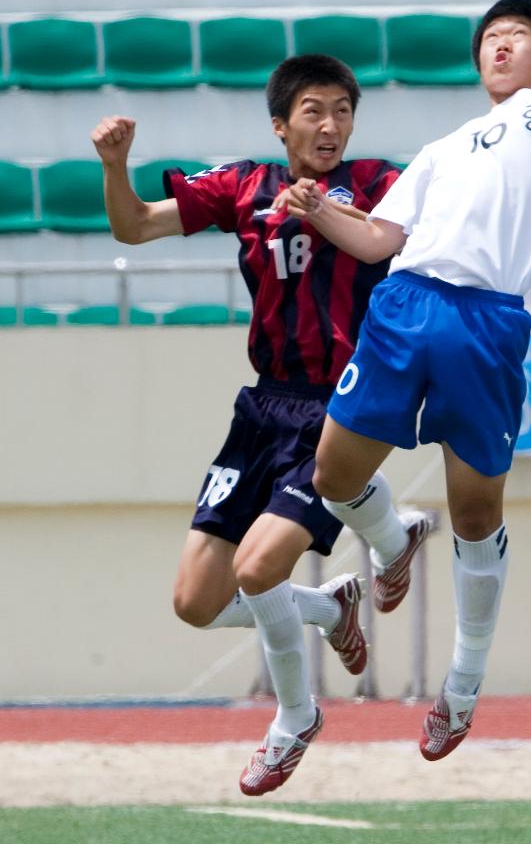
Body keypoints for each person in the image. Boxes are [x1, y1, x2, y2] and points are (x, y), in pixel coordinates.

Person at [286, 0, 531, 761]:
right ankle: (392, 536)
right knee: (335, 475)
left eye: (518, 37)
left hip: (486, 321)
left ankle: (463, 686)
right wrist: (315, 211)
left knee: (475, 513)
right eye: (490, 38)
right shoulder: (440, 148)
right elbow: (377, 239)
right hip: (406, 301)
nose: (500, 46)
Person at [90, 53, 420, 796]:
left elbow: (395, 238)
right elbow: (135, 226)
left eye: (342, 109)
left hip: (341, 405)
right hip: (262, 406)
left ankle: (295, 716)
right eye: (313, 110)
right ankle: (329, 604)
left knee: (257, 567)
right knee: (195, 602)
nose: (330, 124)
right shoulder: (244, 186)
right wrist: (117, 165)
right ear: (281, 125)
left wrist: (326, 210)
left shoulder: (377, 183)